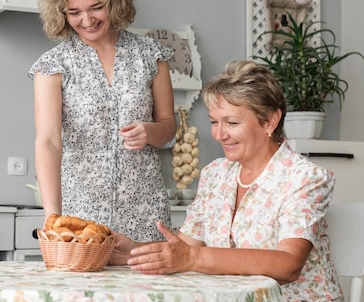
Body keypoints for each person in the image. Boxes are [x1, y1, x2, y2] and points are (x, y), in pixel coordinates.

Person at [111, 60, 342, 302]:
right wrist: (133, 252)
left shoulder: (304, 178)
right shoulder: (215, 175)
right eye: (214, 121)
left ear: (270, 122)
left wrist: (193, 257)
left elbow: (288, 265)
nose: (219, 134)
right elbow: (186, 246)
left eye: (232, 123)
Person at [28, 0, 177, 242]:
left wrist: (149, 131)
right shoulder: (53, 64)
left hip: (146, 212)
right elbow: (48, 141)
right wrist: (52, 217)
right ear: (62, 12)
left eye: (96, 7)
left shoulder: (150, 55)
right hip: (81, 220)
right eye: (74, 12)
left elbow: (169, 127)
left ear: (114, 0)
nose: (87, 20)